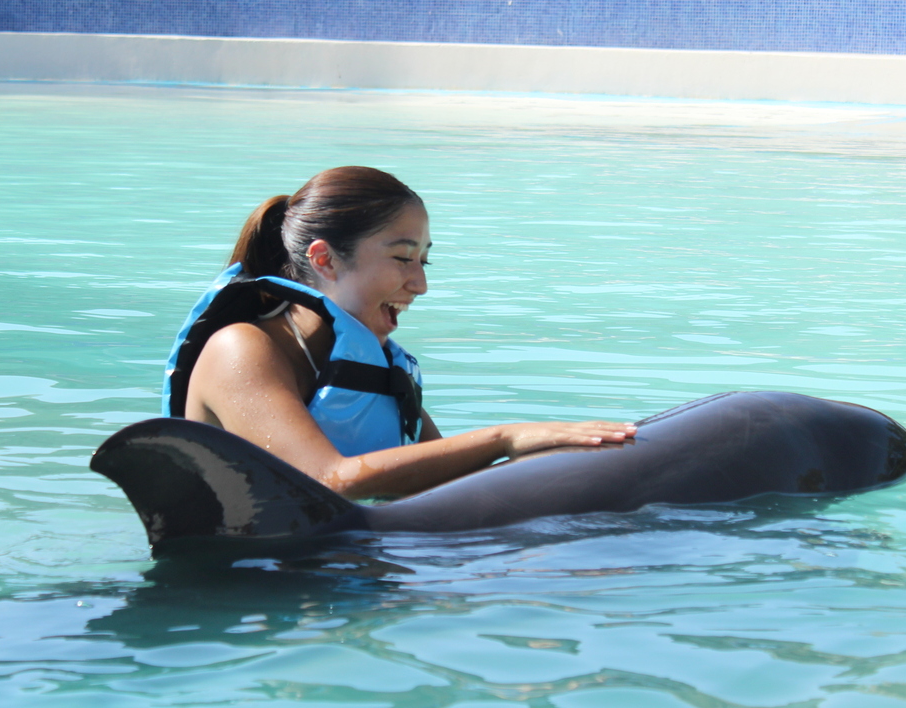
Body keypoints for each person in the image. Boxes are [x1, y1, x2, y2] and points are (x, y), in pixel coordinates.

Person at [163, 166, 635, 499]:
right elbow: (327, 480)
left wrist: (561, 457)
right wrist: (506, 437)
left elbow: (451, 487)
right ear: (325, 259)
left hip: (340, 573)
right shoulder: (241, 349)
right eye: (403, 257)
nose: (421, 284)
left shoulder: (380, 366)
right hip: (248, 595)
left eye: (424, 260)